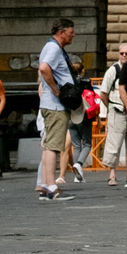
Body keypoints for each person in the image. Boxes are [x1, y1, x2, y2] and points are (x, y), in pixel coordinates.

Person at [35, 16, 78, 202]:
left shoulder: (50, 46)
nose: (73, 36)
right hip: (55, 105)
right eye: (71, 32)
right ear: (61, 32)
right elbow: (44, 68)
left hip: (49, 104)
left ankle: (45, 185)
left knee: (47, 146)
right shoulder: (53, 48)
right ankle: (52, 186)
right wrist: (56, 89)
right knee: (54, 146)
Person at [98, 42, 127, 186]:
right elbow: (103, 93)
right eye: (122, 53)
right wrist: (111, 107)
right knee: (114, 144)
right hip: (117, 111)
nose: (124, 56)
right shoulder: (113, 70)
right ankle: (112, 175)